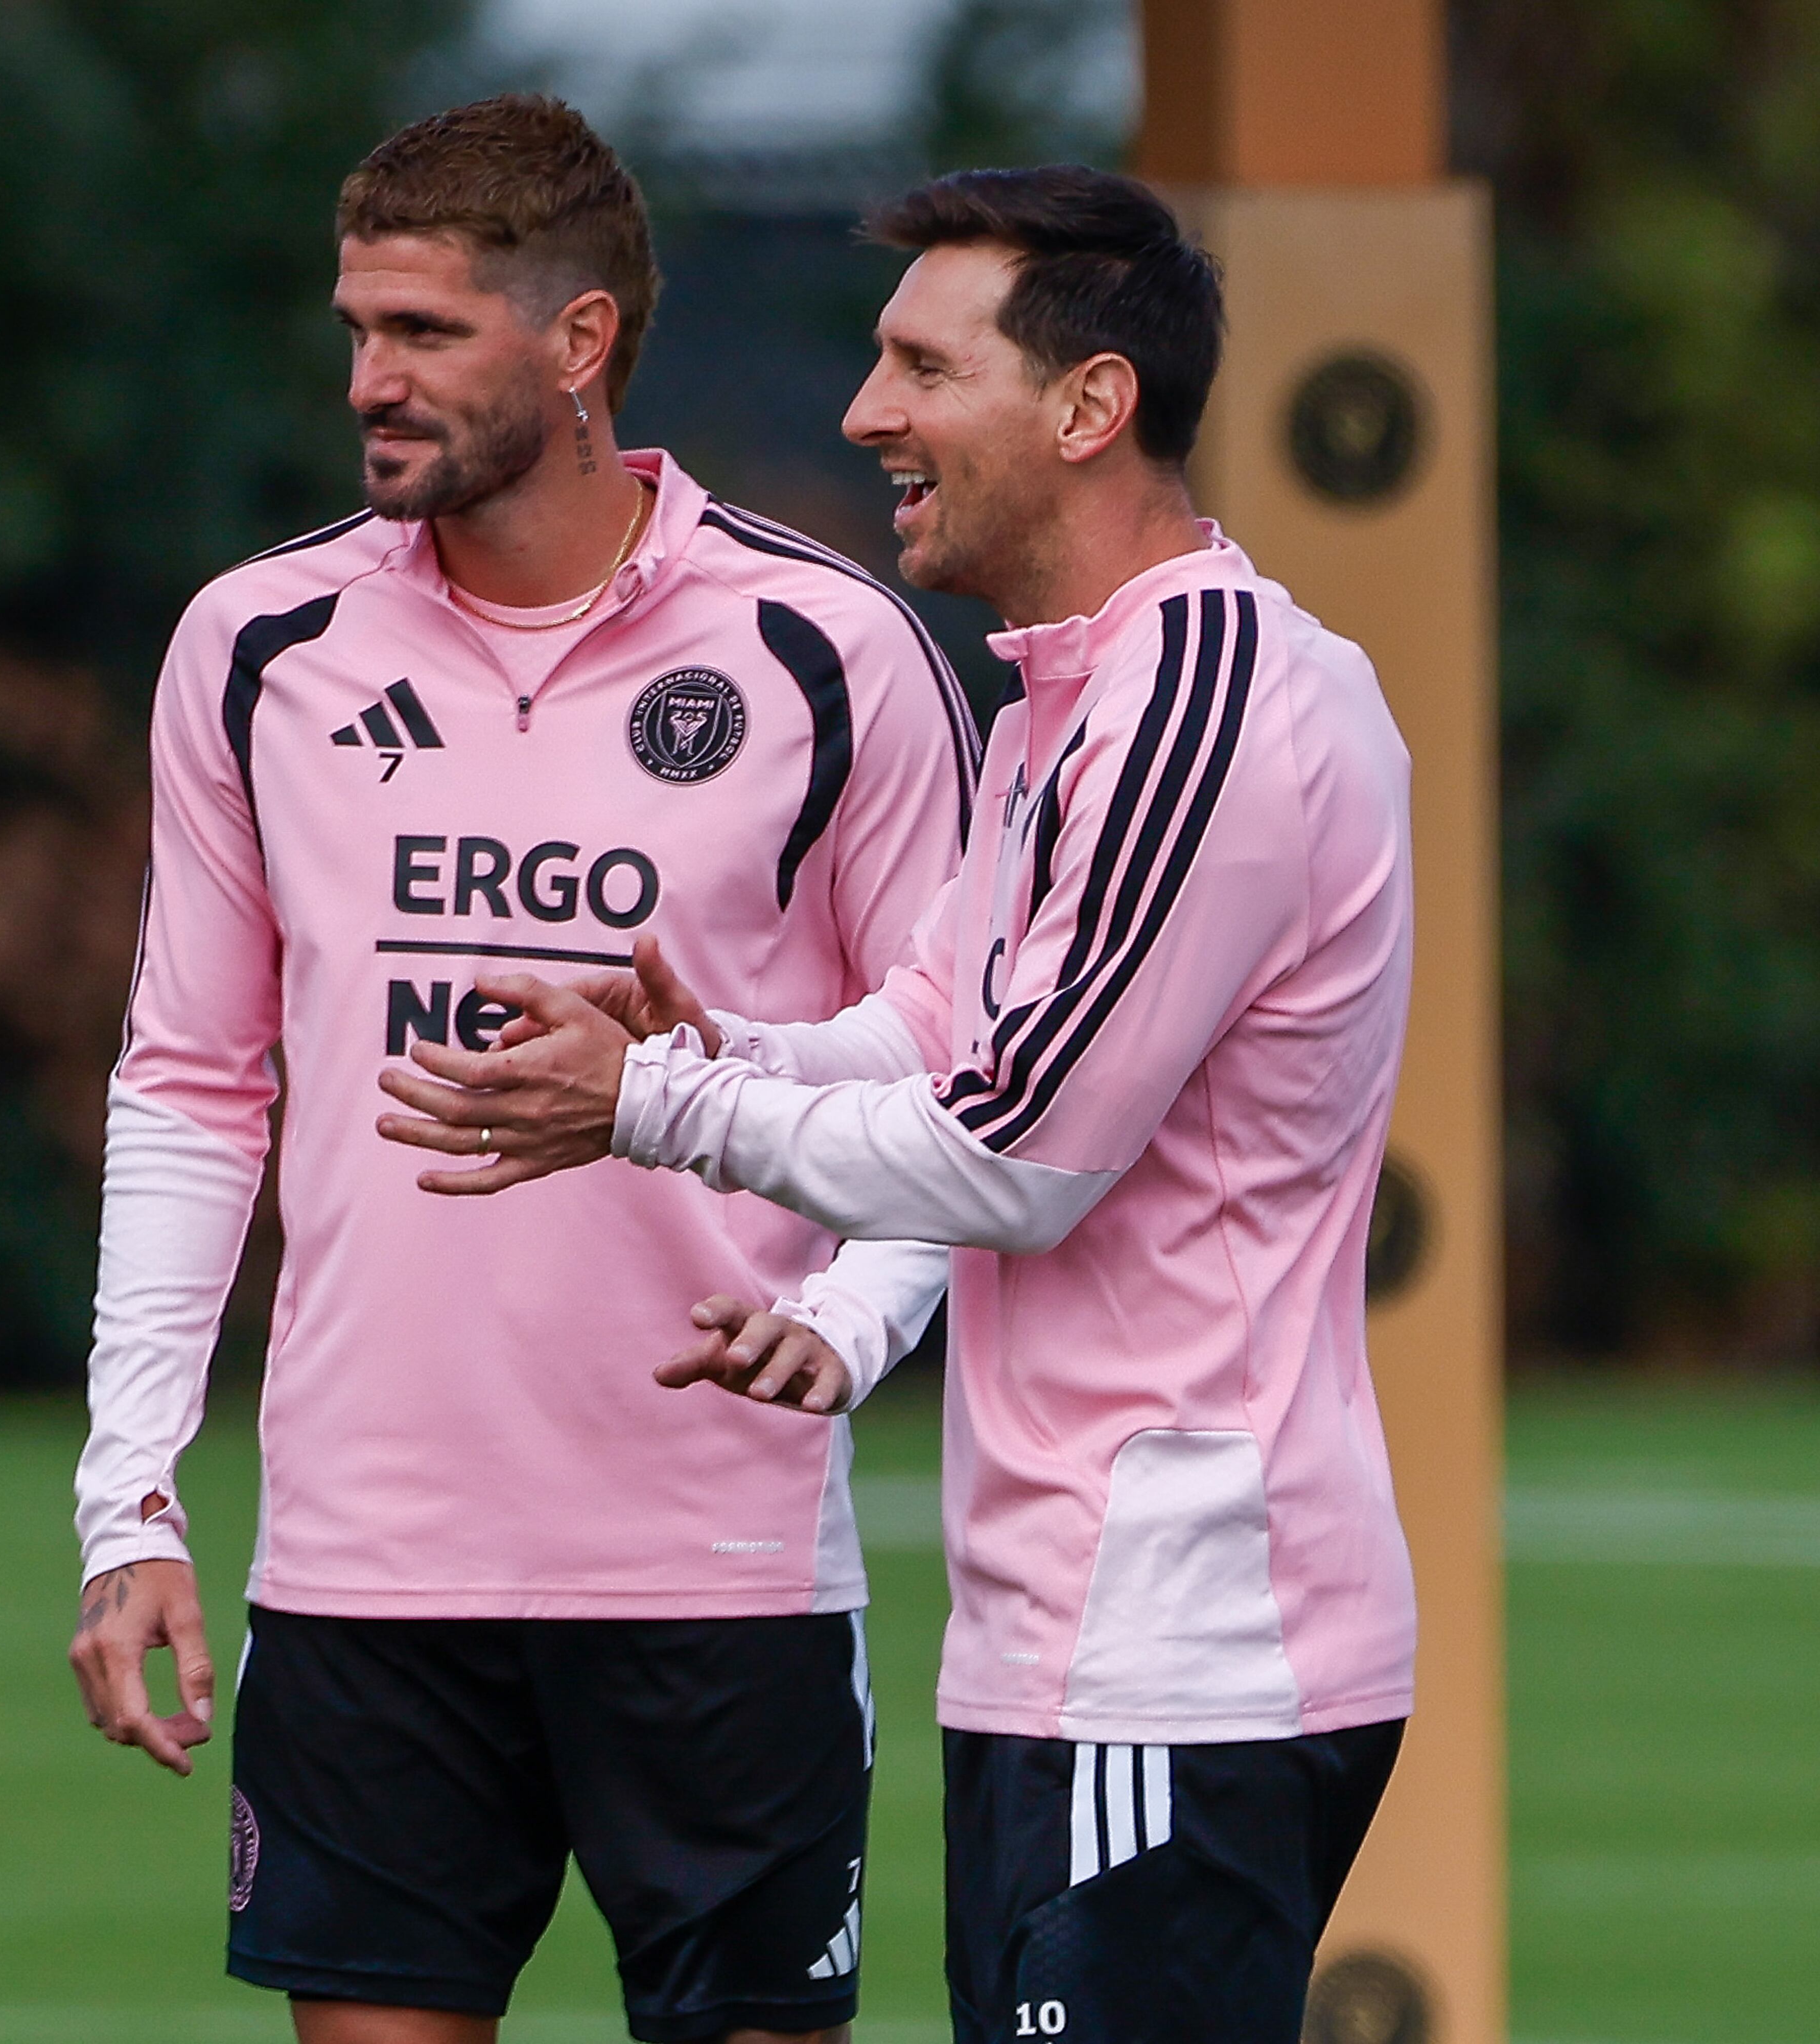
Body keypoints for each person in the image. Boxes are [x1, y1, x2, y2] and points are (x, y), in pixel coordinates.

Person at [376, 165, 1419, 2044]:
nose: (870, 417)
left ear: (1087, 405)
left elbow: (1010, 1155)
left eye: (922, 367)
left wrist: (656, 1111)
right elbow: (928, 1032)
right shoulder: (1055, 708)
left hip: (1181, 1652)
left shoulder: (1211, 704)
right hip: (1065, 1656)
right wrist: (701, 1060)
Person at [64, 95, 977, 2044]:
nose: (366, 381)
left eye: (423, 334)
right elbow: (192, 1084)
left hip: (723, 1564)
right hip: (367, 1563)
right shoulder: (258, 646)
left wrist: (863, 1322)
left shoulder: (833, 656)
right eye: (357, 329)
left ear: (578, 347)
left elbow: (956, 1081)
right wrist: (129, 1500)